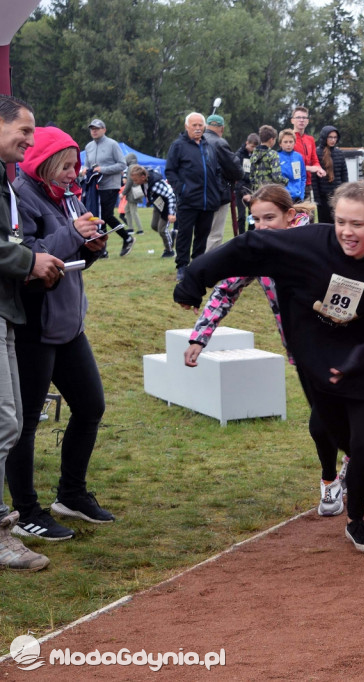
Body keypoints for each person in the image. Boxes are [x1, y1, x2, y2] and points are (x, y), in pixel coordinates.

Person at [175, 181, 364, 553]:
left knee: (360, 445)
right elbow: (246, 247)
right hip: (315, 364)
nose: (347, 232)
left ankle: (356, 520)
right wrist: (192, 280)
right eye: (341, 222)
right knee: (338, 437)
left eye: (358, 224)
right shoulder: (308, 243)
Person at [182, 185, 349, 516]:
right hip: (300, 351)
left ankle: (336, 478)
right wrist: (200, 336)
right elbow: (225, 291)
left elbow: (350, 284)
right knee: (328, 418)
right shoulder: (259, 249)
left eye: (269, 218)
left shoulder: (320, 240)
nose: (261, 226)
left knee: (327, 419)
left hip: (342, 345)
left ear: (289, 216)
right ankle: (347, 465)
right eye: (255, 219)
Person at [6, 125, 113, 545]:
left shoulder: (67, 195)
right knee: (25, 423)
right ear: (45, 161)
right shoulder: (22, 195)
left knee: (90, 406)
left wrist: (93, 246)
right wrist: (74, 234)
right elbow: (28, 254)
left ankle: (70, 494)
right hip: (35, 326)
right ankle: (27, 510)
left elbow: (70, 256)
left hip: (69, 323)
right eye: (66, 165)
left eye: (75, 166)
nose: (73, 173)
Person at [0, 96, 65, 571]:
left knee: (13, 422)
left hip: (8, 310)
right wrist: (29, 260)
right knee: (5, 425)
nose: (30, 139)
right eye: (24, 130)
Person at [165, 112, 223, 281]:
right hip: (188, 199)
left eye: (200, 125)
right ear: (187, 127)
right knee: (184, 234)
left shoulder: (208, 146)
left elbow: (217, 170)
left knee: (203, 234)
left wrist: (217, 189)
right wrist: (182, 189)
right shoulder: (178, 146)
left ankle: (197, 265)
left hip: (209, 199)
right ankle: (182, 266)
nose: (197, 129)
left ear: (204, 127)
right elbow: (170, 170)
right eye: (194, 125)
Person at [83, 118, 133, 257]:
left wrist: (103, 169)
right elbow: (88, 165)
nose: (94, 131)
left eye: (97, 128)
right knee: (99, 216)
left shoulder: (112, 144)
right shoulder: (89, 147)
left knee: (106, 215)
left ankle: (127, 237)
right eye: (92, 128)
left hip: (110, 184)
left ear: (104, 130)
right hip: (95, 186)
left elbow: (122, 164)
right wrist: (85, 170)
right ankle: (103, 249)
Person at [202, 115, 244, 252]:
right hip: (217, 193)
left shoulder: (195, 140)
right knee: (215, 233)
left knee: (201, 231)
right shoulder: (219, 143)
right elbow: (235, 167)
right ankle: (209, 264)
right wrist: (237, 177)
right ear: (222, 128)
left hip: (196, 193)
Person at [127, 164, 177, 258]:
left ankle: (169, 251)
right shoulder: (144, 178)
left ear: (143, 177)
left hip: (167, 205)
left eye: (136, 180)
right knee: (154, 226)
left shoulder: (155, 184)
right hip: (158, 203)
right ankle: (172, 234)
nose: (134, 182)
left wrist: (171, 213)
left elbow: (171, 196)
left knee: (162, 230)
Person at [312, 126, 348, 224]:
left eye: (335, 137)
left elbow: (344, 175)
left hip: (338, 195)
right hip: (323, 197)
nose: (333, 140)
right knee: (324, 224)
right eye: (330, 137)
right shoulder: (317, 152)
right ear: (324, 137)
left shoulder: (339, 153)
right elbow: (314, 179)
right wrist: (317, 199)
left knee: (338, 222)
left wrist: (345, 192)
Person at [289, 106, 326, 199]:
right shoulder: (288, 139)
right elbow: (289, 163)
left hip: (307, 183)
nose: (301, 120)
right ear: (292, 120)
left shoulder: (310, 139)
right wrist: (310, 168)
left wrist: (319, 169)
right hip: (292, 184)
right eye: (298, 117)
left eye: (304, 118)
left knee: (307, 213)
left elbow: (315, 160)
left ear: (307, 121)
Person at [235, 133, 259, 235]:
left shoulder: (257, 155)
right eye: (252, 146)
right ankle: (241, 235)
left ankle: (250, 234)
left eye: (255, 147)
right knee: (241, 216)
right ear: (247, 143)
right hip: (240, 189)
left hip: (252, 188)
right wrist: (243, 191)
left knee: (252, 215)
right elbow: (237, 174)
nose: (253, 149)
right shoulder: (238, 155)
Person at [248, 125, 285, 191]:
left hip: (257, 192)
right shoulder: (273, 154)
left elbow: (251, 176)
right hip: (269, 192)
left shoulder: (254, 153)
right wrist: (286, 181)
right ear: (272, 140)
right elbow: (276, 177)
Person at [118, 152, 144, 236]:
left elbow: (129, 182)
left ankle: (140, 230)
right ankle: (130, 228)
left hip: (132, 193)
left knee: (133, 211)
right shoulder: (137, 167)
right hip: (137, 191)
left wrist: (123, 193)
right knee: (127, 210)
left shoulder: (131, 168)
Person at [277, 129, 306, 202]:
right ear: (280, 143)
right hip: (283, 197)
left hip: (298, 197)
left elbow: (303, 177)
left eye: (291, 142)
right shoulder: (276, 157)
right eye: (285, 142)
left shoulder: (298, 157)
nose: (288, 144)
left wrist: (301, 194)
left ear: (294, 143)